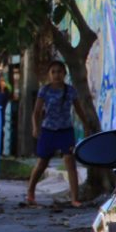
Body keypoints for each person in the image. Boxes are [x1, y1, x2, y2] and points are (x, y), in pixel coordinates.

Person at [26, 60, 89, 207]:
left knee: (70, 162)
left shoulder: (70, 91)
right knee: (42, 163)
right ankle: (30, 192)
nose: (56, 75)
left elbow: (79, 109)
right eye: (53, 72)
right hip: (48, 131)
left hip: (66, 131)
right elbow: (36, 112)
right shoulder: (45, 90)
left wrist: (86, 125)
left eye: (59, 72)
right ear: (49, 74)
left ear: (64, 74)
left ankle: (74, 198)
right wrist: (36, 128)